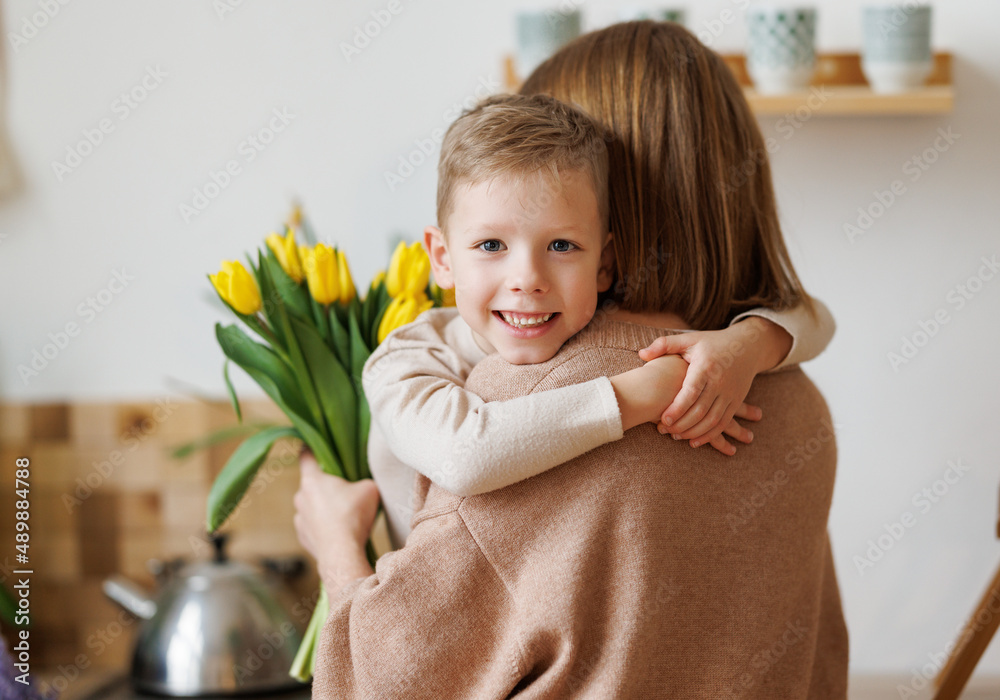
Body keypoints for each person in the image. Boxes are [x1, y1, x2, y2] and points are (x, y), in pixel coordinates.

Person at [297, 21, 847, 697]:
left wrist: (334, 545)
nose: (525, 276)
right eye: (492, 243)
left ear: (607, 221)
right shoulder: (793, 399)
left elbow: (378, 685)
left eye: (558, 241)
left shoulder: (519, 405)